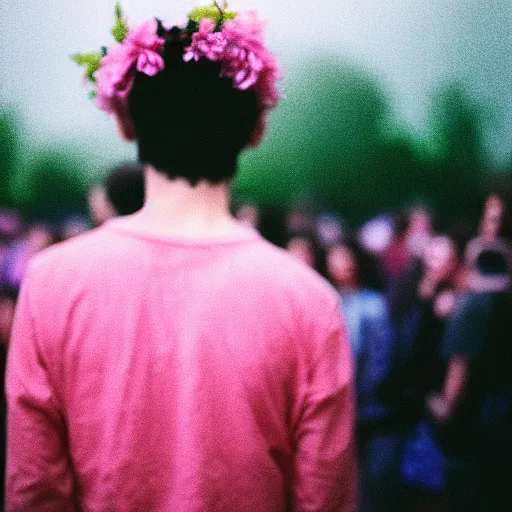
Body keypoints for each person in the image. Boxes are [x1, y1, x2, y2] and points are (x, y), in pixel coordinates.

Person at [5, 4, 357, 511]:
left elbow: (34, 492)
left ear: (125, 121)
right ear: (256, 127)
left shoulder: (50, 283)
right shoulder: (310, 302)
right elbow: (325, 499)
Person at [327, 240, 398, 512]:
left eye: (346, 257)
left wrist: (363, 399)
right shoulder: (327, 298)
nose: (341, 264)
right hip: (338, 408)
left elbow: (380, 360)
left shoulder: (373, 305)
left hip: (366, 409)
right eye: (335, 257)